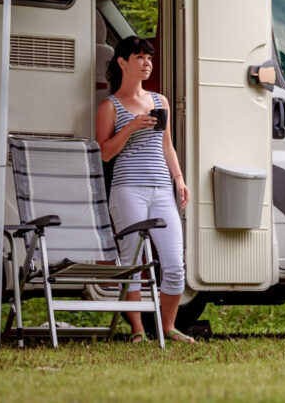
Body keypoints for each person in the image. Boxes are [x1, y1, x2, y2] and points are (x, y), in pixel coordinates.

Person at [96, 35, 195, 344]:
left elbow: (167, 146)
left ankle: (168, 328)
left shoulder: (159, 101)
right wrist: (130, 126)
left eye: (149, 58)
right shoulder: (109, 106)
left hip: (162, 189)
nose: (147, 63)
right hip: (128, 189)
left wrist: (179, 179)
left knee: (174, 263)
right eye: (140, 57)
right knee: (133, 263)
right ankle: (138, 331)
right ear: (122, 63)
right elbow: (104, 153)